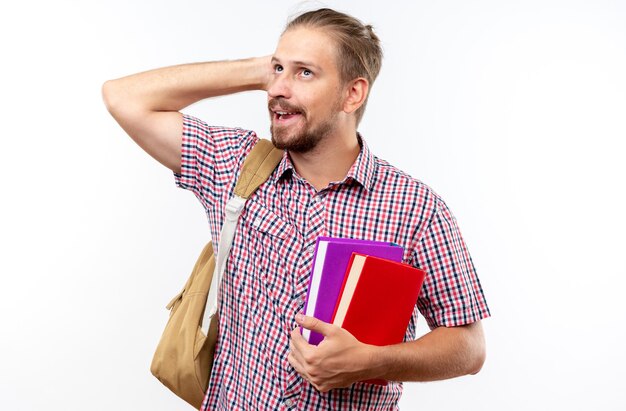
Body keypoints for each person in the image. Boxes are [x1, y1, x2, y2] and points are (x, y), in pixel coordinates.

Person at [103, 7, 490, 411]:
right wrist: (261, 70)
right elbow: (124, 98)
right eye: (277, 69)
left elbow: (469, 346)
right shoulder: (234, 165)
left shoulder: (416, 208)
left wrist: (372, 361)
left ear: (352, 93)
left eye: (305, 73)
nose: (277, 90)